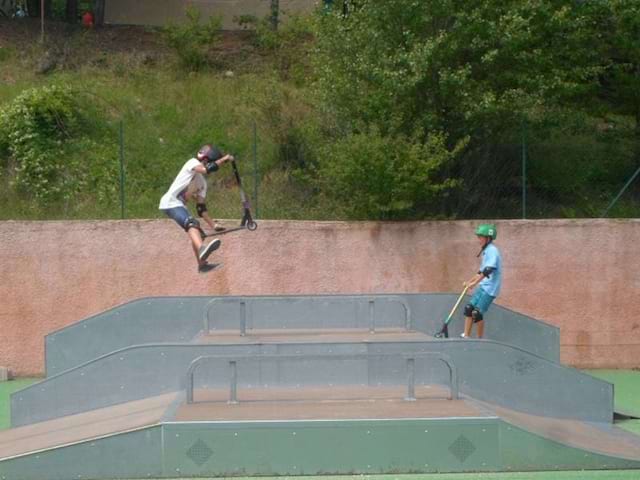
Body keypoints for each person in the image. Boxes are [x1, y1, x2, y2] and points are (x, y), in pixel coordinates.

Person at [159, 144, 233, 273]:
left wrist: (213, 225)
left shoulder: (202, 184)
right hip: (170, 202)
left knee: (197, 231)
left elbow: (201, 208)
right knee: (191, 223)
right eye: (208, 162)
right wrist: (223, 159)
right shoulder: (192, 163)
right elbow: (206, 169)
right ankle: (202, 250)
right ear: (206, 160)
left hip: (178, 205)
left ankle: (202, 265)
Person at [460, 224, 502, 338]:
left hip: (490, 289)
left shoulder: (492, 250)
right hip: (484, 286)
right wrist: (470, 281)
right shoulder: (486, 250)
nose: (478, 240)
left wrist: (474, 283)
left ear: (488, 238)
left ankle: (480, 339)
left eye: (480, 237)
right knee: (469, 308)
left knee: (477, 313)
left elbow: (488, 270)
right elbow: (481, 271)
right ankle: (466, 336)